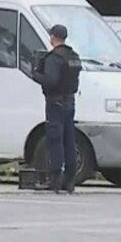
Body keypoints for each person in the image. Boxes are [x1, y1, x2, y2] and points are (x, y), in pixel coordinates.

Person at [31, 24, 82, 193]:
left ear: (53, 37)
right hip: (70, 102)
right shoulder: (73, 56)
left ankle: (55, 180)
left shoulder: (54, 58)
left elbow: (51, 80)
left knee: (55, 141)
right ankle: (70, 181)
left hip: (55, 104)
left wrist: (36, 74)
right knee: (69, 141)